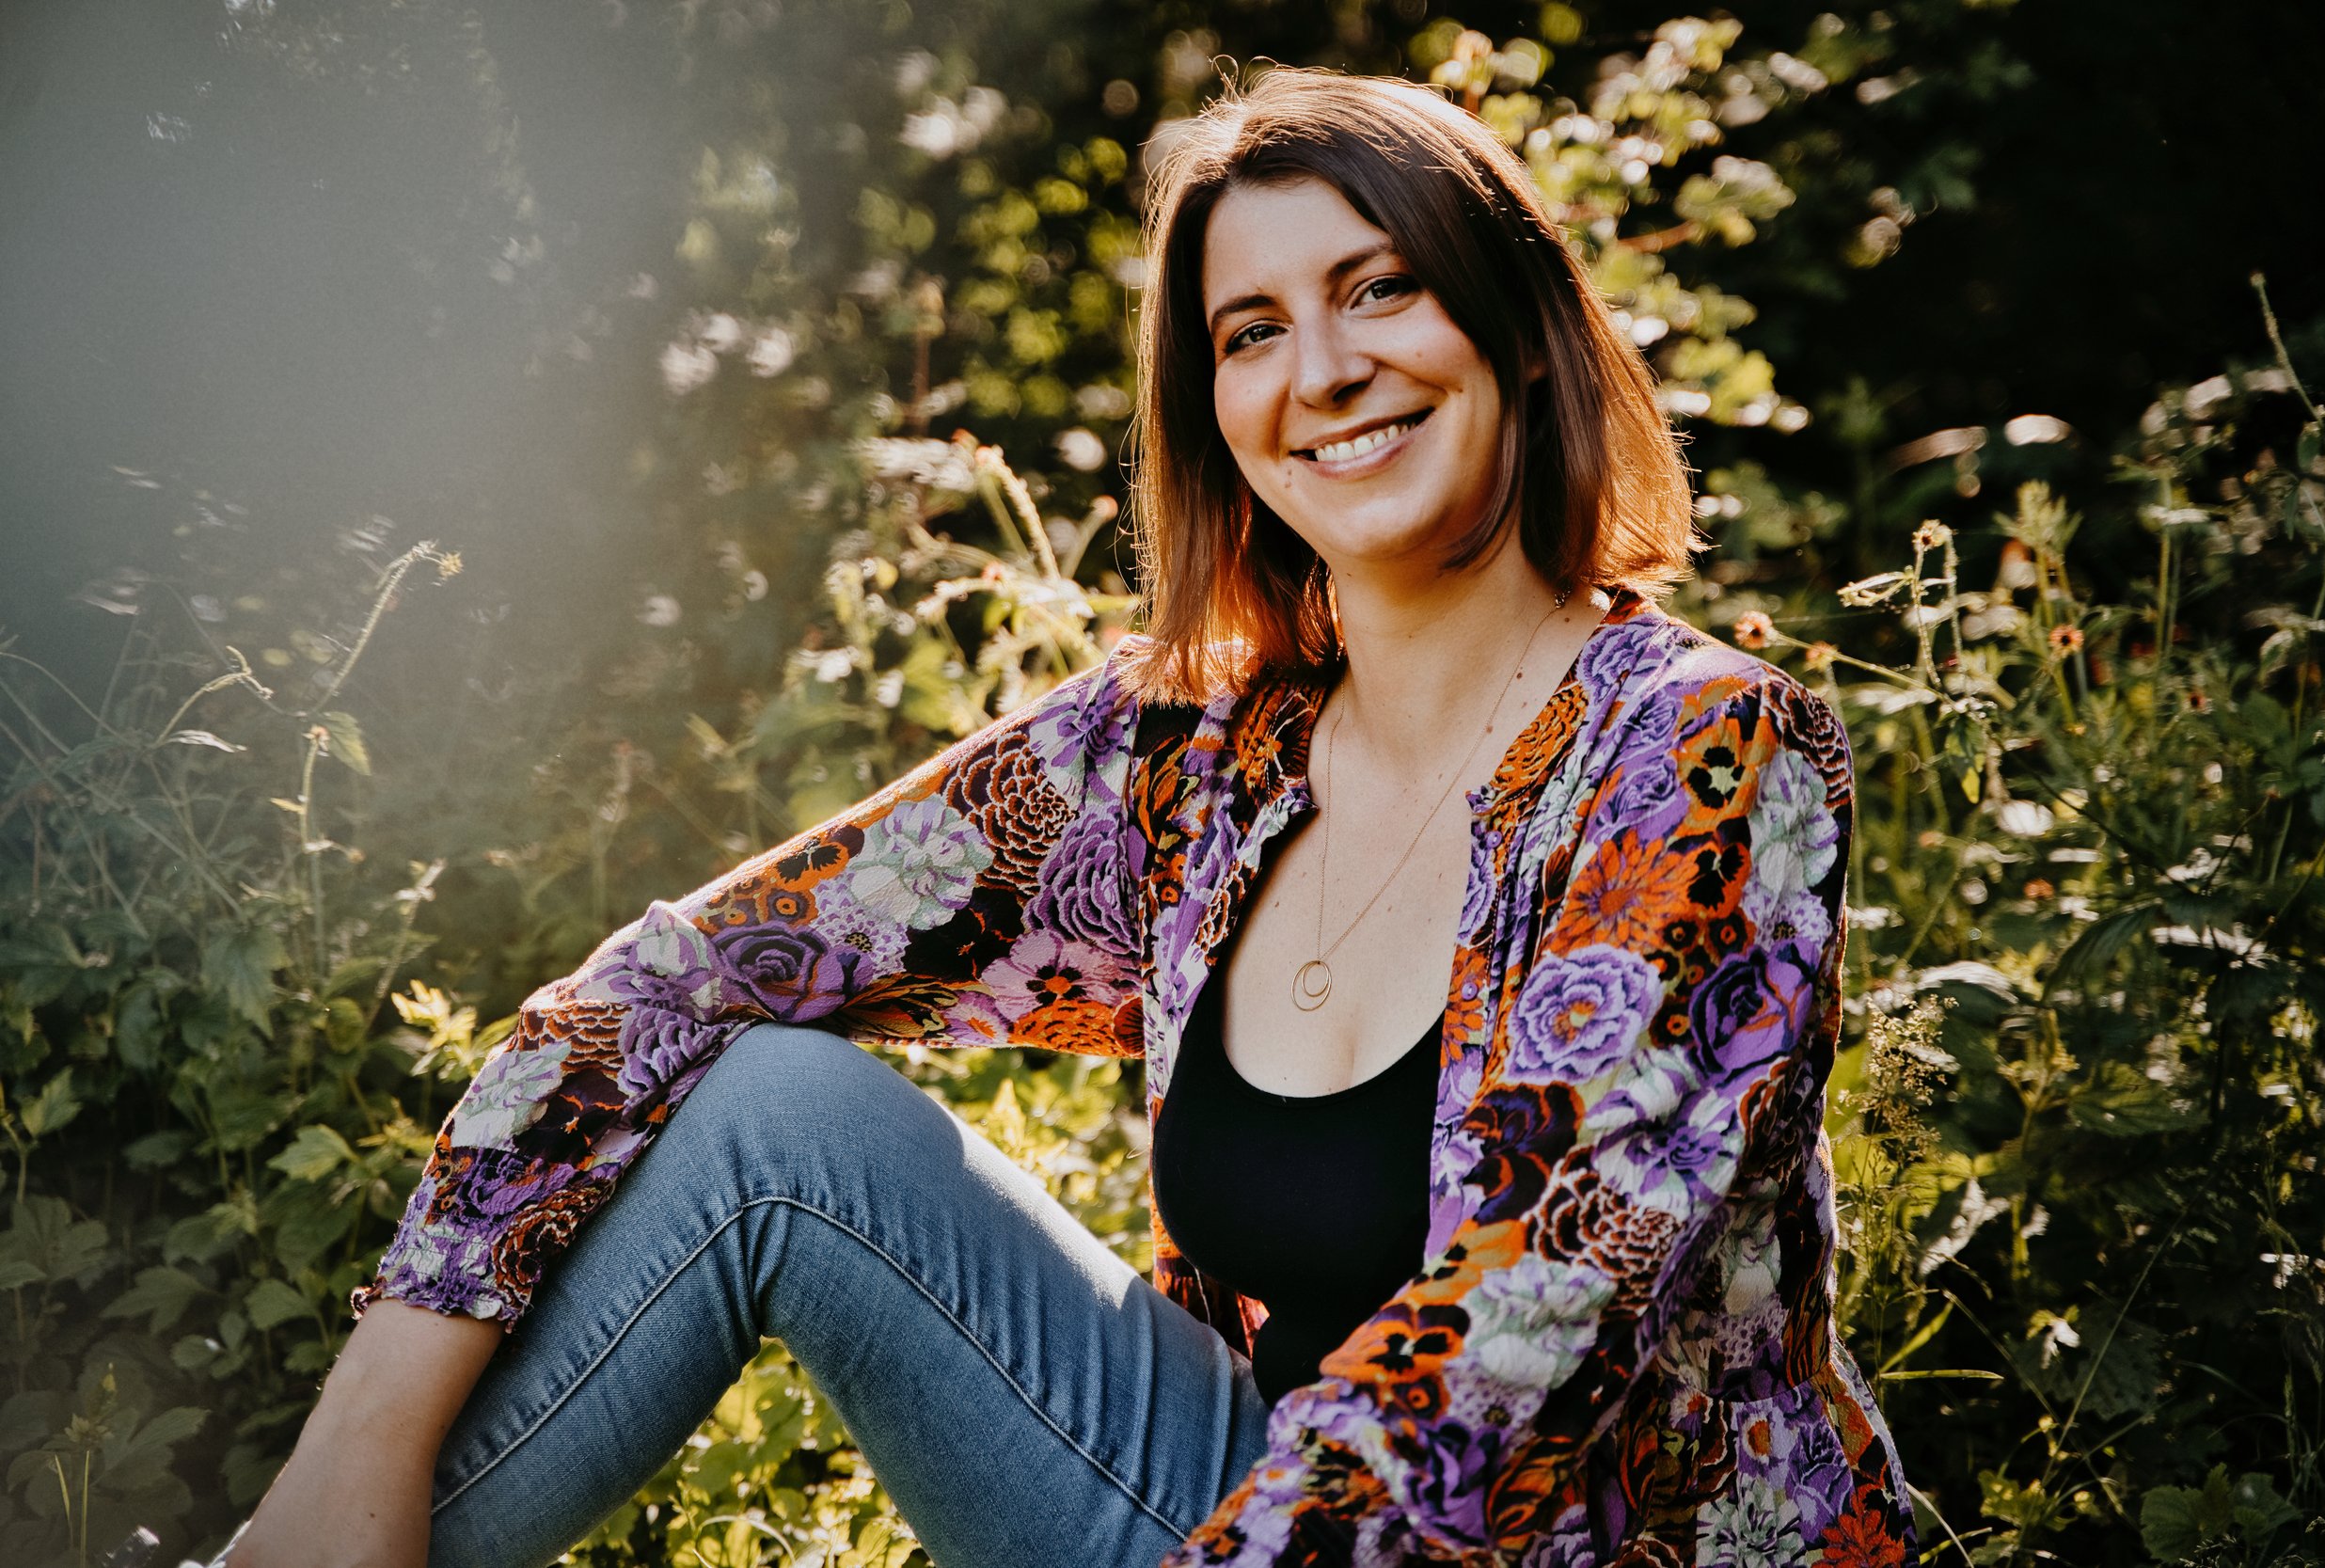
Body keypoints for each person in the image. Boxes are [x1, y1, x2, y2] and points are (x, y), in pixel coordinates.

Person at [222, 66, 1910, 1568]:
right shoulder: (1190, 745)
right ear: (1216, 413)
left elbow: (1520, 1354)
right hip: (1234, 1498)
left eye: (1380, 289)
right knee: (779, 1119)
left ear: (1513, 326)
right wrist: (362, 1439)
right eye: (1251, 333)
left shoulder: (1700, 758)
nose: (1322, 373)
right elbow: (671, 982)